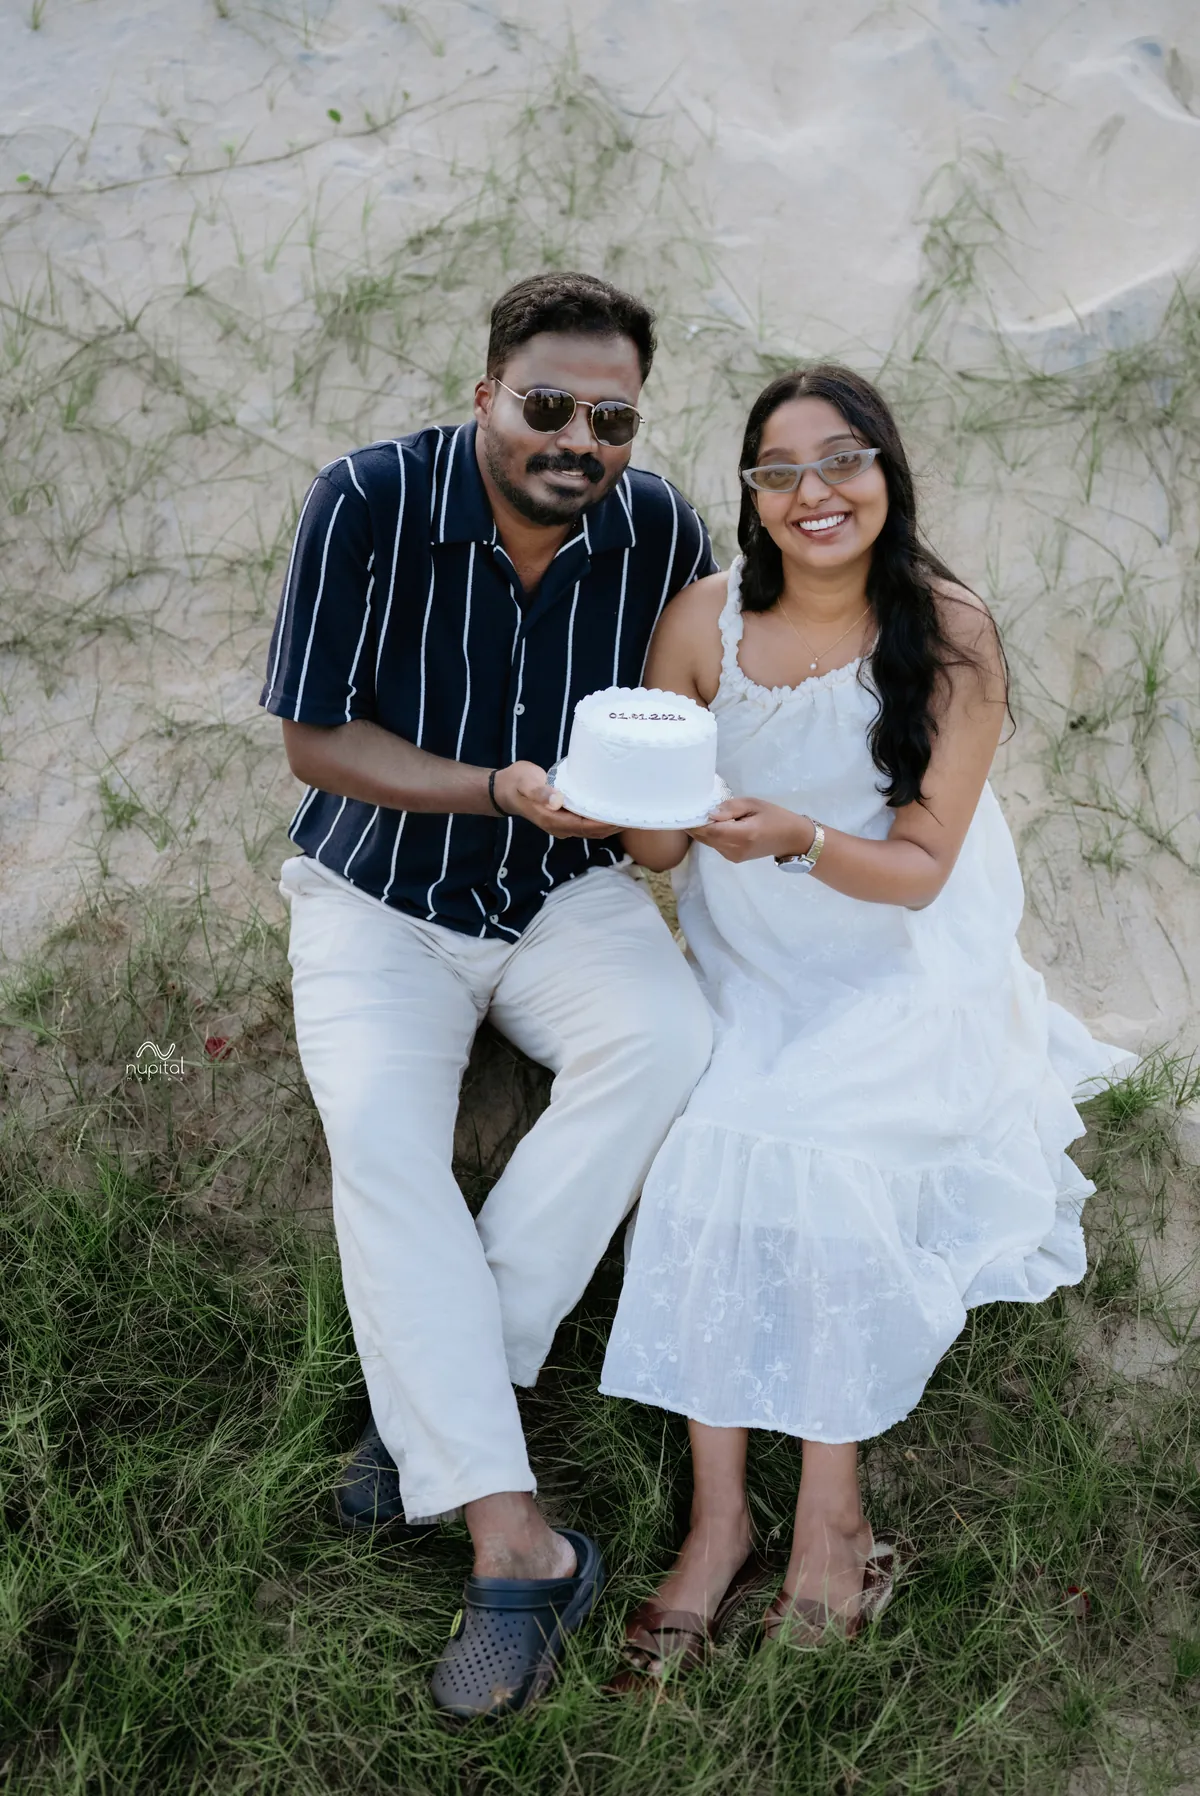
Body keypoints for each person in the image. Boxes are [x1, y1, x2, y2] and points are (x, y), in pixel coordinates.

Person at [598, 364, 1135, 1681]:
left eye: (842, 461)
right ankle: (720, 1525)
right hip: (756, 967)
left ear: (888, 475)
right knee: (704, 1162)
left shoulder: (951, 632)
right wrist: (618, 804)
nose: (813, 492)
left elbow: (919, 871)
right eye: (779, 472)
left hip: (902, 962)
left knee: (826, 1173)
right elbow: (662, 844)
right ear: (753, 498)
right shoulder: (699, 625)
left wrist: (789, 836)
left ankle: (832, 1525)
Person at [259, 272, 717, 1718]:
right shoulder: (369, 501)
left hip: (560, 894)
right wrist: (496, 788)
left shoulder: (661, 532)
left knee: (671, 1039)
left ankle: (435, 1404)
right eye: (547, 407)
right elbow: (317, 743)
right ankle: (518, 1542)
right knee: (387, 1147)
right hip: (378, 895)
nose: (577, 438)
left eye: (613, 416)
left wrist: (646, 811)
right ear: (485, 396)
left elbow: (678, 733)